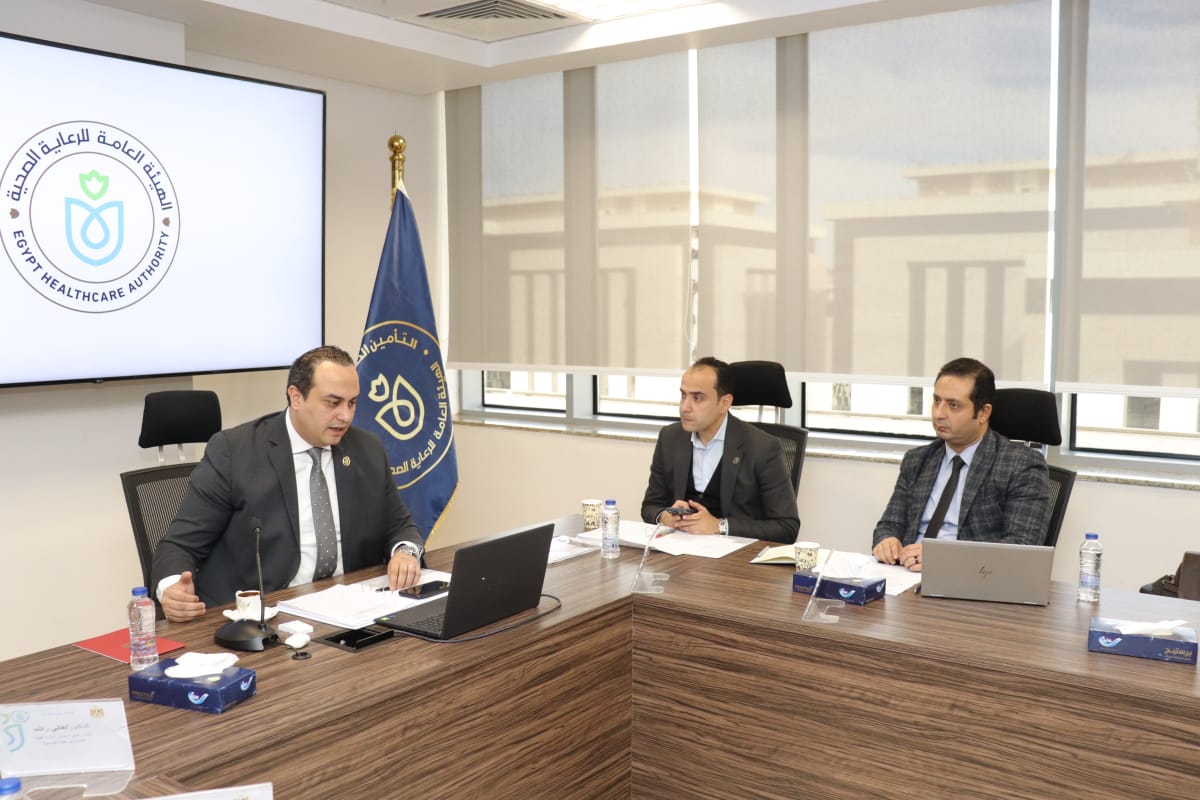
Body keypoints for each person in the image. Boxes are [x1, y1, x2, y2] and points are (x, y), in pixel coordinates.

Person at [152, 345, 424, 622]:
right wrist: (171, 589)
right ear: (296, 397)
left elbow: (400, 526)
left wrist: (405, 553)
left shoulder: (368, 449)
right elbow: (179, 545)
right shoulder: (235, 452)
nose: (345, 416)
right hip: (262, 615)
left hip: (347, 608)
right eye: (333, 403)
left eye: (352, 403)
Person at [872, 357, 1051, 572]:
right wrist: (887, 541)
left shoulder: (1022, 466)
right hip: (907, 575)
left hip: (971, 580)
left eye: (953, 405)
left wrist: (941, 558)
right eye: (937, 401)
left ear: (983, 413)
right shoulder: (917, 460)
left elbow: (1021, 547)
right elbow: (890, 524)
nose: (938, 413)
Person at [640, 357, 800, 543]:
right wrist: (666, 517)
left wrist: (719, 526)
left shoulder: (763, 447)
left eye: (697, 398)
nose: (685, 407)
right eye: (683, 395)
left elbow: (787, 527)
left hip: (736, 554)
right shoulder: (670, 437)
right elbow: (650, 506)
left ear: (724, 403)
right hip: (680, 548)